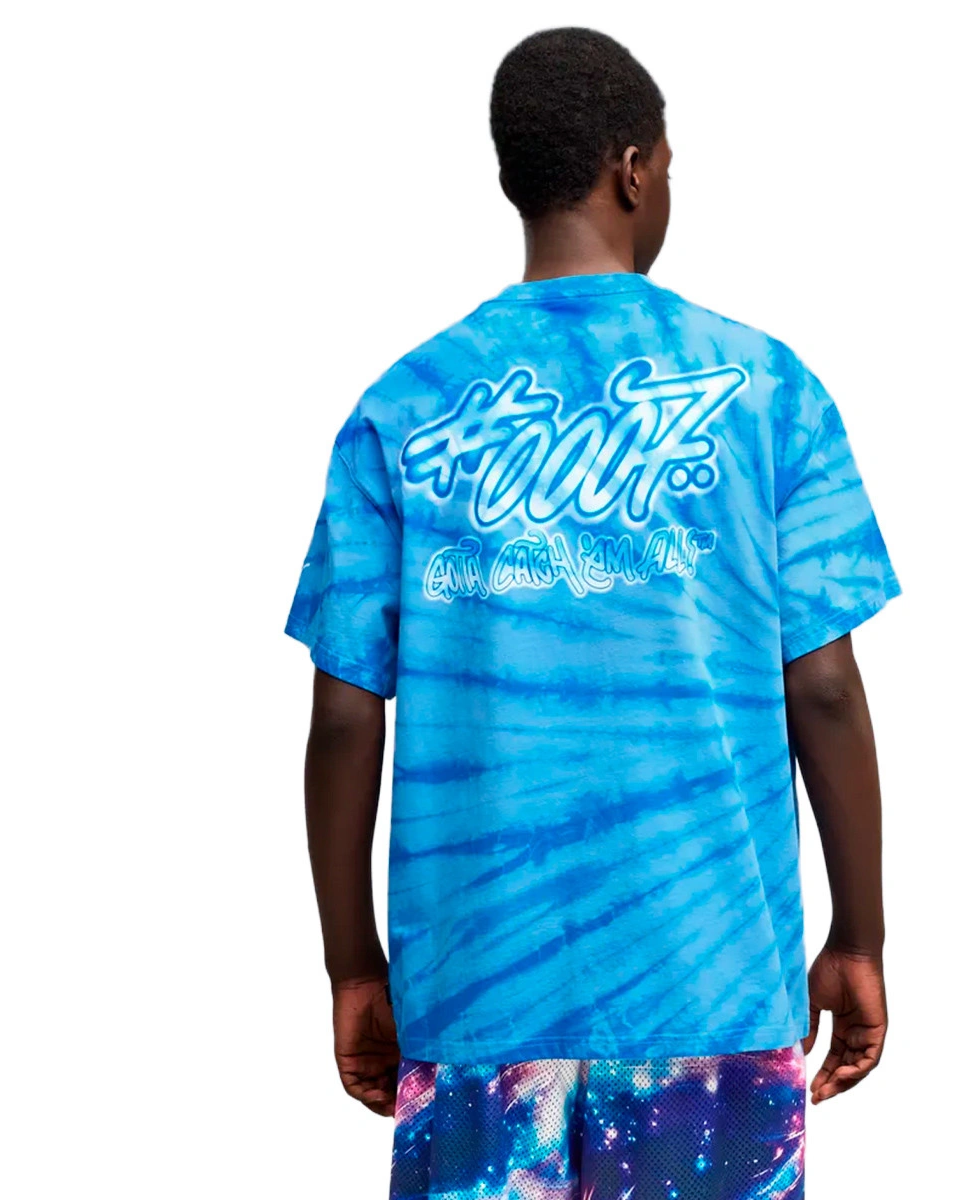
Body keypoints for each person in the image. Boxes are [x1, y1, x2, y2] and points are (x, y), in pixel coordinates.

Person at [286, 25, 900, 1199]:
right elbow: (822, 688)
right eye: (666, 165)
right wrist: (859, 936)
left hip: (474, 995)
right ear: (632, 169)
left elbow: (343, 716)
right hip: (715, 981)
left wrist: (354, 965)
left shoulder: (402, 405)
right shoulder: (770, 391)